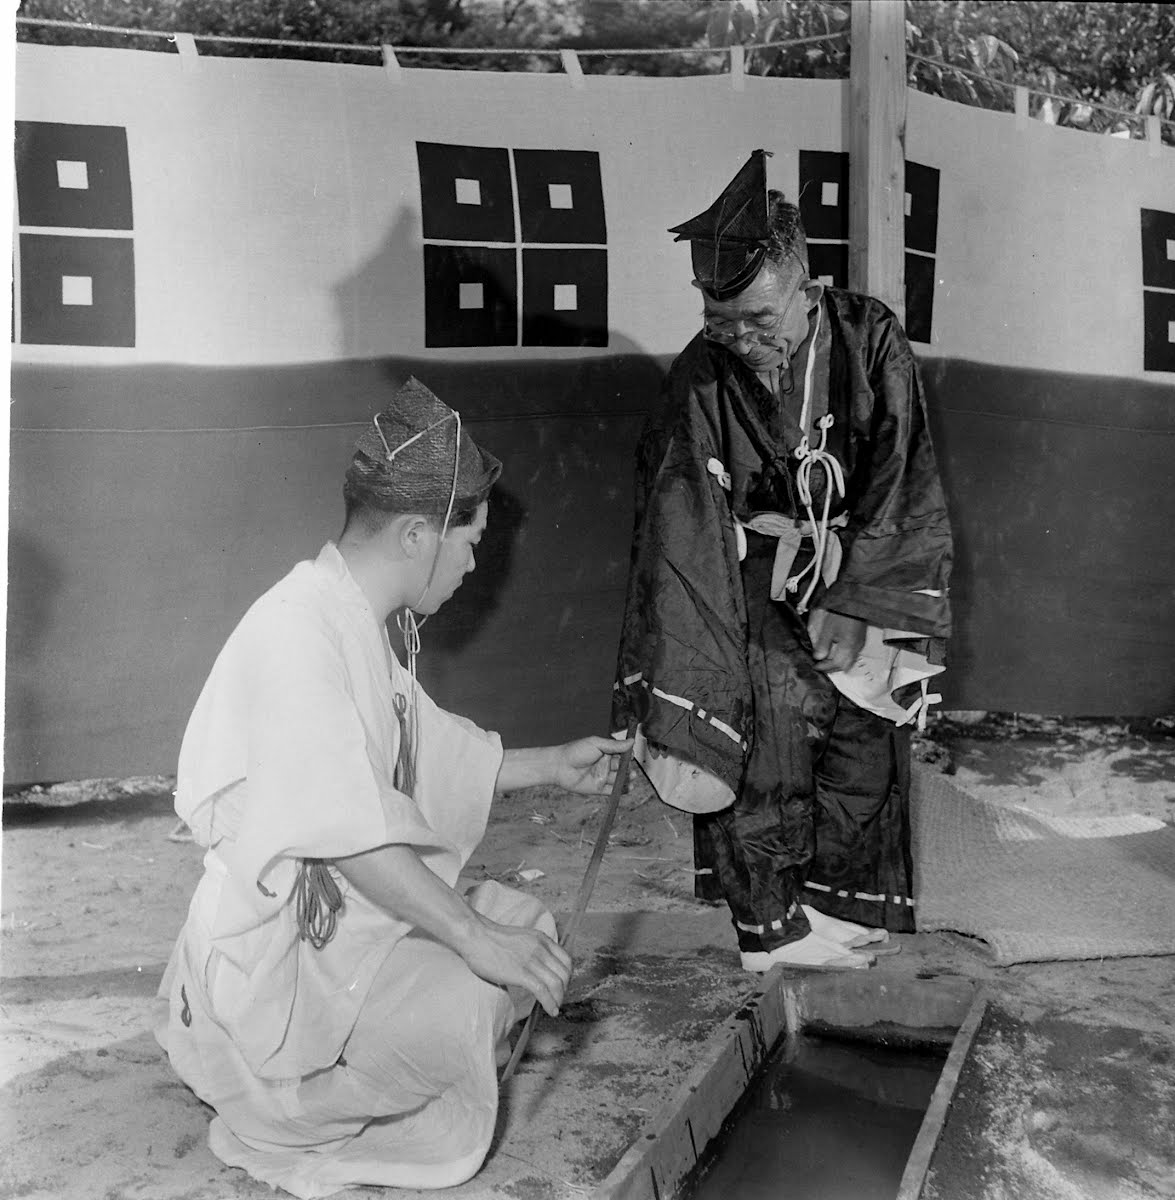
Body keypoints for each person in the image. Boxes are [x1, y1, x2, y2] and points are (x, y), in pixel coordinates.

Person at [157, 377, 630, 1198]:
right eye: (469, 540)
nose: (474, 560)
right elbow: (353, 831)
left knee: (526, 931)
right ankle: (280, 1107)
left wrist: (552, 763)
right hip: (271, 981)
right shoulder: (297, 632)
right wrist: (472, 941)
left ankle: (386, 1046)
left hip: (325, 934)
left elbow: (425, 749)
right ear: (417, 535)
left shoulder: (346, 617)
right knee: (484, 984)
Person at [613, 151, 953, 973]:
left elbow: (901, 470)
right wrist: (691, 654)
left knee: (862, 739)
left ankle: (818, 907)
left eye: (758, 319)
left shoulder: (868, 336)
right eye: (718, 318)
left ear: (804, 284)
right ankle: (766, 929)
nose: (740, 337)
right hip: (749, 576)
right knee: (759, 728)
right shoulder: (702, 374)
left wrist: (858, 598)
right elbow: (678, 509)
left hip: (853, 562)